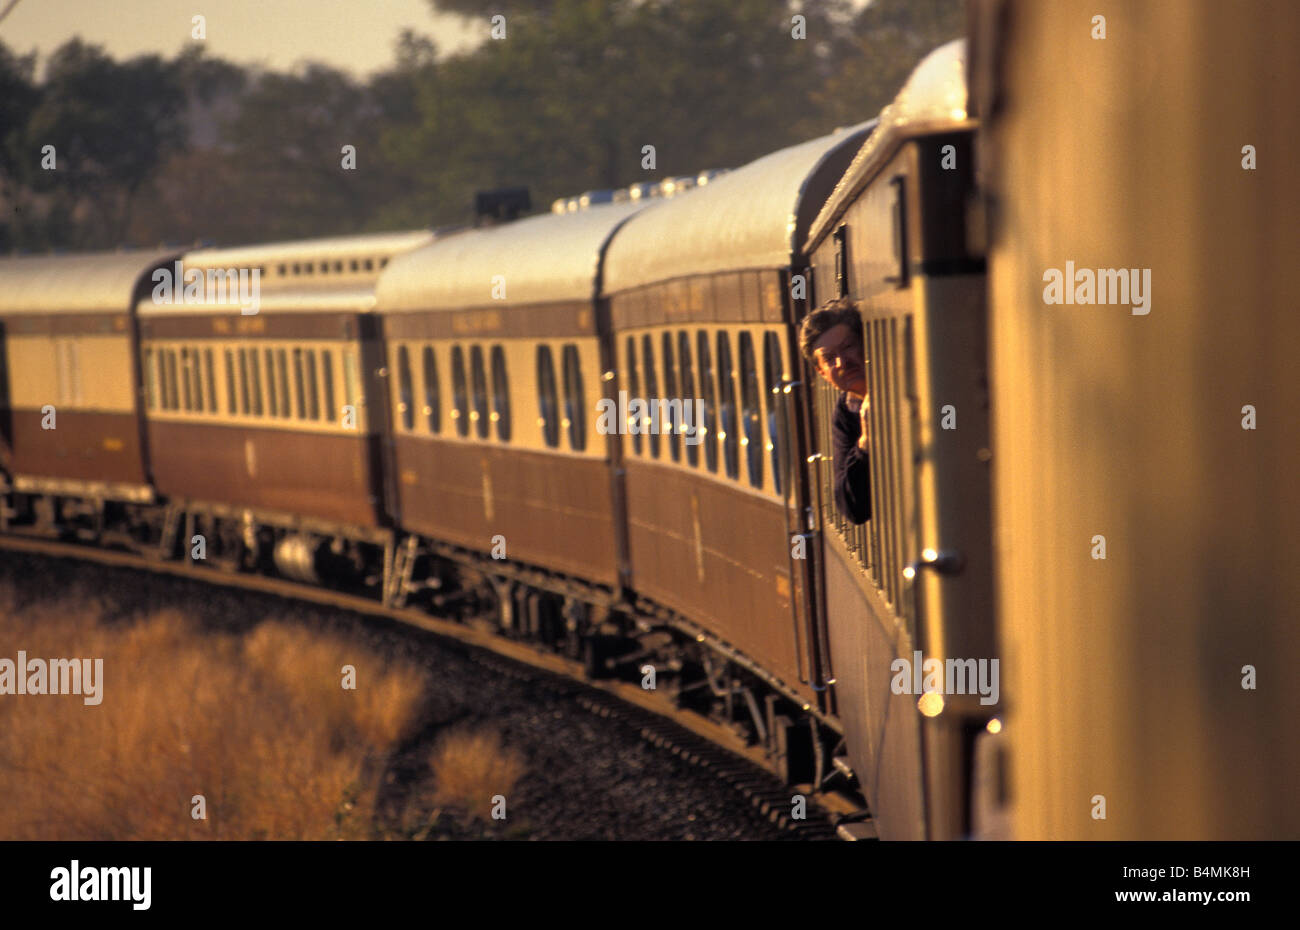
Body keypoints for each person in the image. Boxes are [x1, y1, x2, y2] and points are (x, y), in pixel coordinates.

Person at [799, 298, 870, 524]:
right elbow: (853, 508)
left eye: (848, 347)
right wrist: (865, 443)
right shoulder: (845, 412)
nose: (842, 362)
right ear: (822, 373)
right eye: (829, 358)